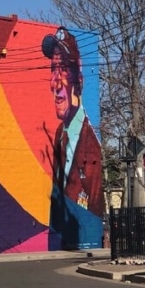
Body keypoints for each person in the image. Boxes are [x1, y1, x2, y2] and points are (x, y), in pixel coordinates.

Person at [42, 27, 103, 249]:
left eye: (64, 69)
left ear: (79, 79)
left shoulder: (91, 146)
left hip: (80, 238)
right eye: (53, 69)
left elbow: (91, 203)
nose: (55, 82)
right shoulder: (60, 134)